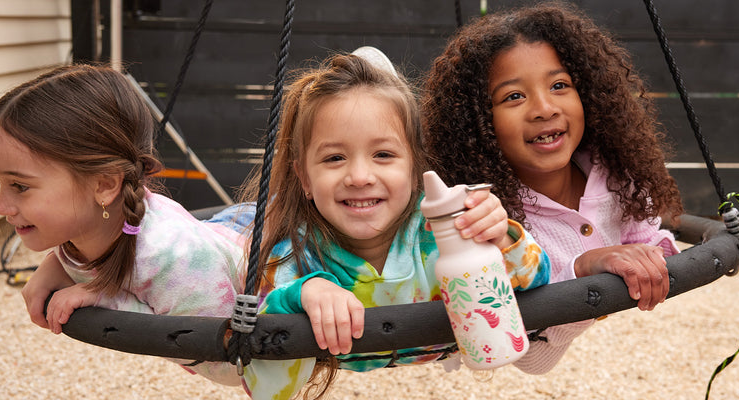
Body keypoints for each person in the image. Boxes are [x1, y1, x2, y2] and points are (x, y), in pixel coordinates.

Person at [236, 50, 551, 399]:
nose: (359, 177)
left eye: (383, 155)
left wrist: (502, 237)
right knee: (239, 235)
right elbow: (264, 382)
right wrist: (301, 295)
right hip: (263, 232)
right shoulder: (294, 253)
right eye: (334, 158)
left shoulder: (442, 230)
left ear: (416, 169)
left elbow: (537, 278)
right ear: (305, 180)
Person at [421, 2, 684, 374]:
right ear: (478, 122)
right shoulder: (490, 213)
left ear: (588, 95)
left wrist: (655, 260)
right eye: (514, 96)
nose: (544, 108)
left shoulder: (614, 173)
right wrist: (582, 266)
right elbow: (526, 348)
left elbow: (648, 238)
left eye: (559, 85)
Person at [0, 64, 246, 386]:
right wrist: (60, 264)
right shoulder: (95, 223)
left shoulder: (172, 260)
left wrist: (108, 299)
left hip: (268, 245)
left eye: (19, 186)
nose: (1, 207)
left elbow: (231, 361)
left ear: (105, 186)